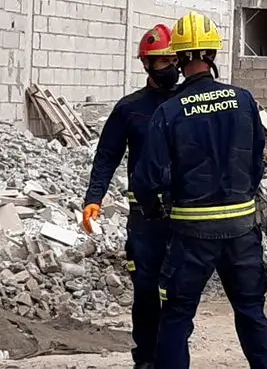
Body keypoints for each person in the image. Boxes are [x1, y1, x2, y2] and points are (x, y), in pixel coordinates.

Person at [132, 11, 267, 369]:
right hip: (242, 232)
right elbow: (258, 161)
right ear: (213, 55)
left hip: (191, 235)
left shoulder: (169, 110)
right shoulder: (243, 100)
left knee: (177, 318)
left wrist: (153, 210)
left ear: (179, 58)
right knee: (251, 314)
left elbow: (146, 178)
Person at [81, 24, 179, 369]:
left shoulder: (188, 104)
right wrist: (94, 197)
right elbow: (107, 155)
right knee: (146, 289)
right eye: (159, 60)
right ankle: (146, 358)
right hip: (145, 217)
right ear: (146, 64)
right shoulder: (130, 109)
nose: (167, 66)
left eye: (172, 59)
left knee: (179, 292)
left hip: (185, 214)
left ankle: (173, 356)